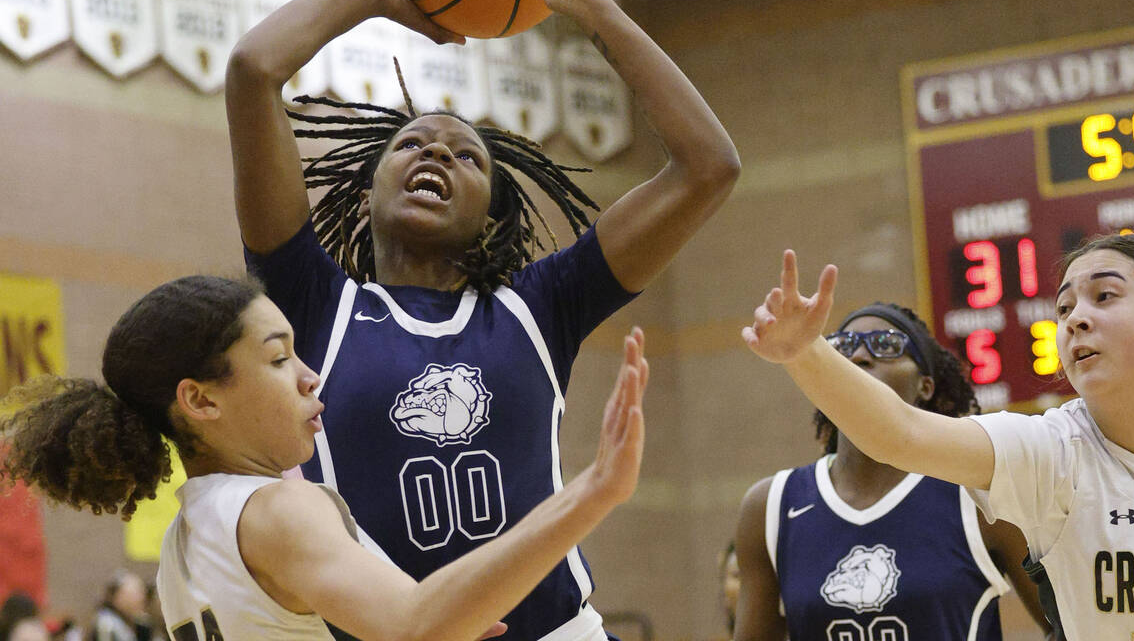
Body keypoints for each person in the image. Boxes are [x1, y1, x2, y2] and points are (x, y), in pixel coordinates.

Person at [226, 0, 738, 641]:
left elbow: (709, 166)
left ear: (491, 216)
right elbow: (252, 71)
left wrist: (595, 9)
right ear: (365, 194)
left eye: (465, 156)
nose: (433, 149)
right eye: (411, 144)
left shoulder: (541, 306)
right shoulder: (314, 301)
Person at [0, 275, 649, 641]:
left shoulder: (182, 540)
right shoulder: (281, 509)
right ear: (200, 401)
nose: (311, 377)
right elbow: (418, 624)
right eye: (280, 358)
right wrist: (592, 491)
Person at [742, 234, 1134, 640]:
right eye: (1064, 308)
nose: (1076, 318)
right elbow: (899, 436)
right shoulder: (1052, 452)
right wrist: (805, 353)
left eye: (1104, 296)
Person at [734, 302, 1050, 641]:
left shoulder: (975, 493)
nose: (858, 356)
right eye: (843, 346)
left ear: (925, 386)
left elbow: (1069, 627)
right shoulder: (771, 505)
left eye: (885, 344)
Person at [90, 571, 150, 641]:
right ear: (115, 597)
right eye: (134, 595)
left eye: (142, 594)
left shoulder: (139, 624)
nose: (141, 599)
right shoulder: (106, 624)